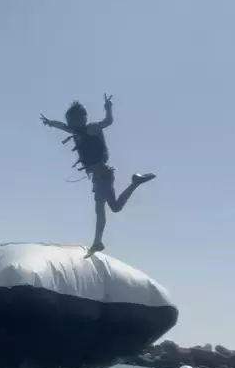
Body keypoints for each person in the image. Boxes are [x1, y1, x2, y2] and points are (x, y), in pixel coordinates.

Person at [40, 94, 156, 258]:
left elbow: (108, 122)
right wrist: (50, 122)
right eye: (69, 121)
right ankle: (135, 182)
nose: (70, 124)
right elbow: (62, 126)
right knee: (115, 207)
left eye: (73, 120)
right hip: (100, 175)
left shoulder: (92, 128)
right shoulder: (75, 131)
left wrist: (108, 107)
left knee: (100, 209)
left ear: (82, 118)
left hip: (103, 174)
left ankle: (97, 241)